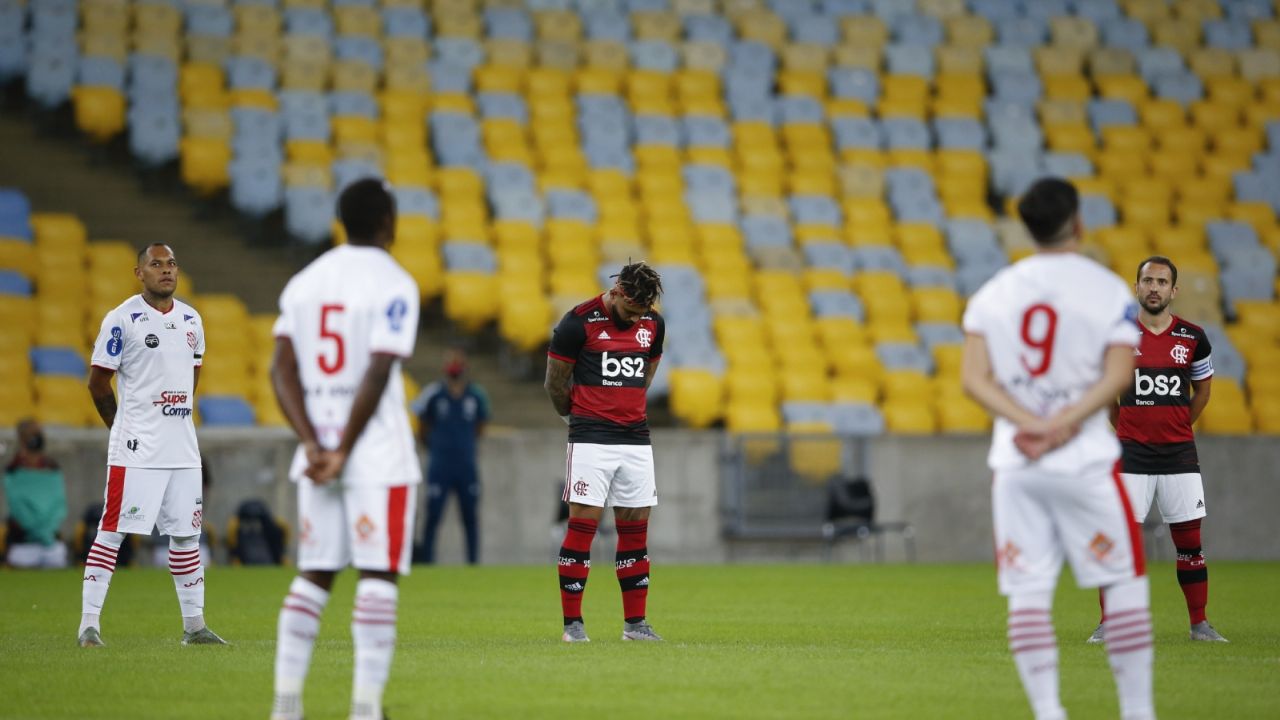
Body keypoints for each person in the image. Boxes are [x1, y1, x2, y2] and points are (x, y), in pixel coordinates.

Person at [961, 178, 1154, 720]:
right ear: (1079, 221)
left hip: (1017, 463)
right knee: (1121, 581)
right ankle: (1138, 712)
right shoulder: (1107, 290)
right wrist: (1064, 423)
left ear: (1026, 227)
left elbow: (973, 379)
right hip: (1084, 461)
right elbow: (1120, 373)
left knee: (1027, 590)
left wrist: (1030, 423)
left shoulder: (994, 292)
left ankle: (1048, 712)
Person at [269, 178, 421, 720]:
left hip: (316, 455)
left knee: (314, 574)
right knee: (377, 575)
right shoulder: (396, 283)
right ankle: (364, 708)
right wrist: (345, 448)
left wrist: (315, 442)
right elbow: (379, 369)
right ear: (385, 220)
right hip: (376, 454)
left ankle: (286, 706)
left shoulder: (306, 282)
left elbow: (280, 369)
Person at [82, 242, 224, 648]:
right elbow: (97, 382)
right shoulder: (121, 319)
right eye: (156, 264)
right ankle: (88, 626)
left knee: (186, 537)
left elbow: (190, 378)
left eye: (172, 264)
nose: (166, 270)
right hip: (136, 448)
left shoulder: (193, 320)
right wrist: (120, 428)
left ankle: (195, 626)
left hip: (182, 447)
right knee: (112, 532)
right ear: (139, 273)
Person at [1085, 256, 1226, 643]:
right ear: (1137, 286)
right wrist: (1126, 427)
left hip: (1179, 454)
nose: (1154, 288)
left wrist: (1178, 424)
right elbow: (1108, 396)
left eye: (1162, 282)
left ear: (1173, 290)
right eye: (1148, 280)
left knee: (1190, 544)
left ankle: (1199, 624)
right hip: (1131, 455)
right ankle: (1109, 623)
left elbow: (1204, 393)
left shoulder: (1194, 338)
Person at [545, 261, 665, 643]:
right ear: (616, 293)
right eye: (631, 310)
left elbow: (646, 373)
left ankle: (635, 626)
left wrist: (624, 405)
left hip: (635, 440)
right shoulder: (576, 323)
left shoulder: (654, 325)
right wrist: (578, 417)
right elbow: (554, 383)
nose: (635, 319)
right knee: (583, 529)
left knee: (635, 533)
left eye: (641, 313)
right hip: (591, 439)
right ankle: (572, 626)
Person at [411, 349, 489, 565]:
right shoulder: (433, 393)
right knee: (433, 515)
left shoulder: (476, 395)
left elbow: (481, 426)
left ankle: (473, 563)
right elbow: (421, 422)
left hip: (466, 465)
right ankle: (427, 561)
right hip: (440, 465)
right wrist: (435, 445)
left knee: (470, 517)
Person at [4, 419, 69, 568]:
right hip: (23, 544)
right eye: (33, 434)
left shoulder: (52, 468)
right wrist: (39, 531)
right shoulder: (13, 471)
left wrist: (47, 533)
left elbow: (59, 505)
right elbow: (18, 507)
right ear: (22, 439)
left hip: (51, 544)